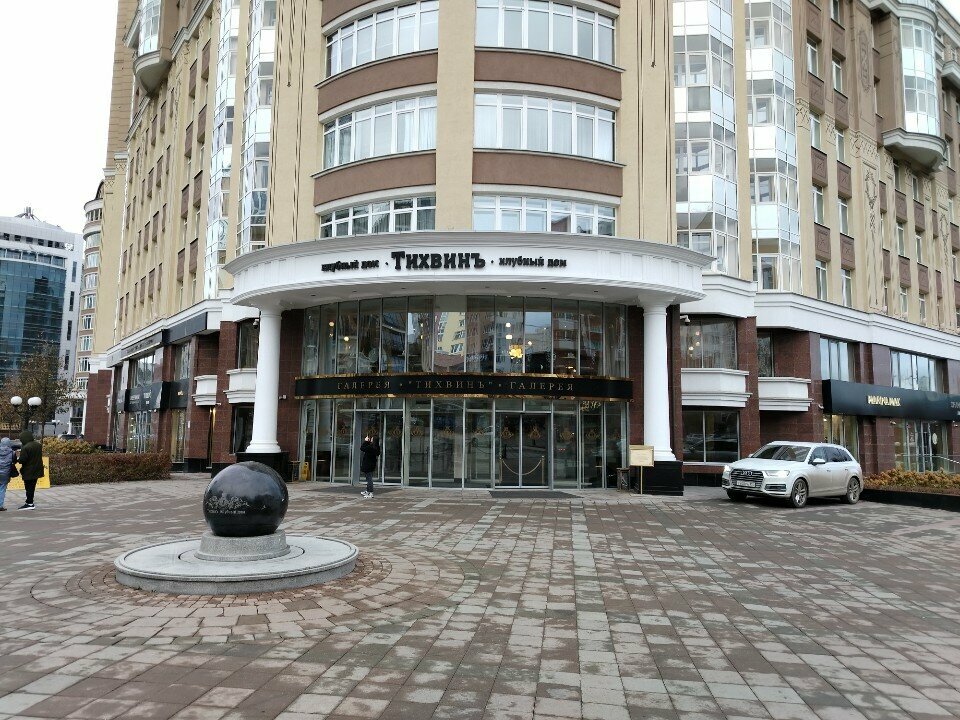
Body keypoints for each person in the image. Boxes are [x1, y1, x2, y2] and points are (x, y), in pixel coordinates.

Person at [17, 430, 42, 510]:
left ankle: (29, 503)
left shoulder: (26, 447)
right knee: (32, 487)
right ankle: (30, 502)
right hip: (37, 469)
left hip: (28, 470)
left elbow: (22, 460)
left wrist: (18, 458)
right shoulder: (38, 445)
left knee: (28, 487)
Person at [359, 434, 380, 499]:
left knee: (369, 479)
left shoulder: (371, 447)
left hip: (368, 465)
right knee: (368, 478)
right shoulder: (376, 447)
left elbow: (362, 448)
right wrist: (368, 442)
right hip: (371, 465)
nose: (371, 439)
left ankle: (370, 492)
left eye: (372, 439)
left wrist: (365, 441)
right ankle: (368, 491)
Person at [0, 438, 14, 511]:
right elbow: (14, 461)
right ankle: (0, 505)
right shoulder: (12, 453)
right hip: (5, 473)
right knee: (2, 489)